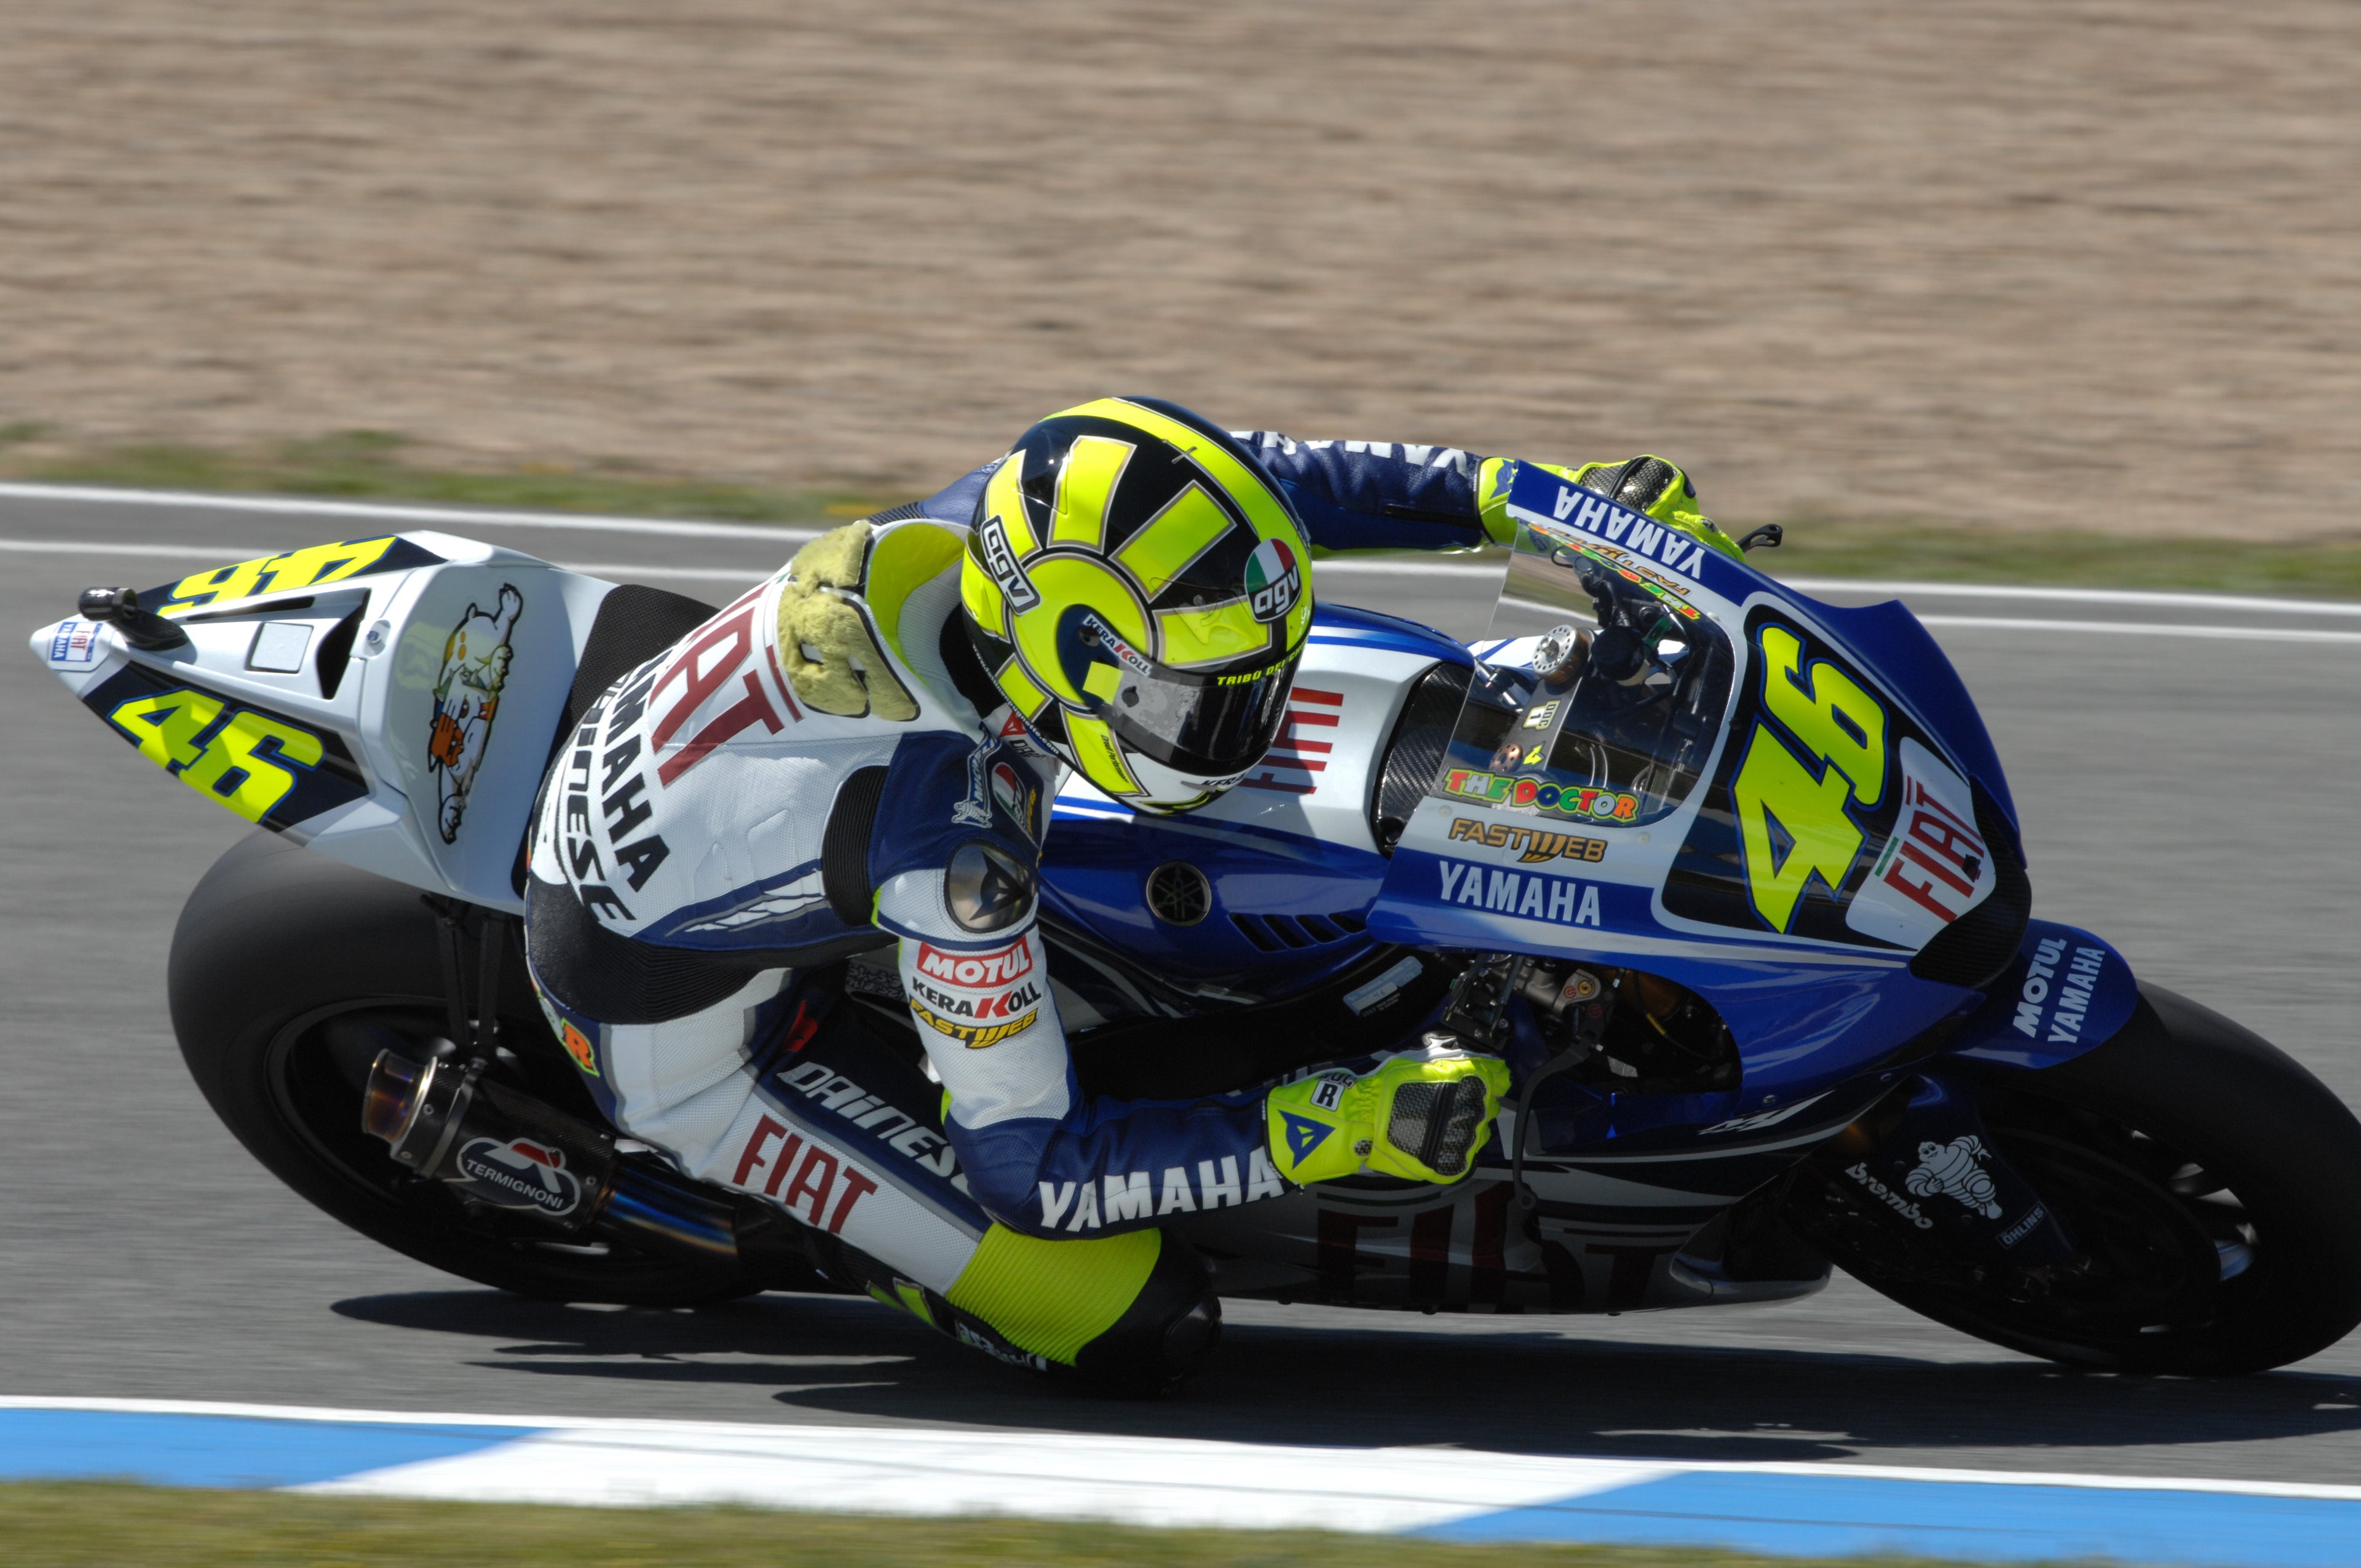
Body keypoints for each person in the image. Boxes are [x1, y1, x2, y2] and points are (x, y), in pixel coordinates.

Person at [521, 396, 1739, 1393]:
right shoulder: (961, 860)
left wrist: (1529, 500)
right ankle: (861, 1243)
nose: (1246, 726)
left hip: (697, 794)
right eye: (1202, 704)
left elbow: (1264, 485)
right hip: (699, 1035)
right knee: (1137, 1319)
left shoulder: (1030, 514)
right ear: (1075, 661)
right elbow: (1038, 1172)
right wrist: (1330, 1125)